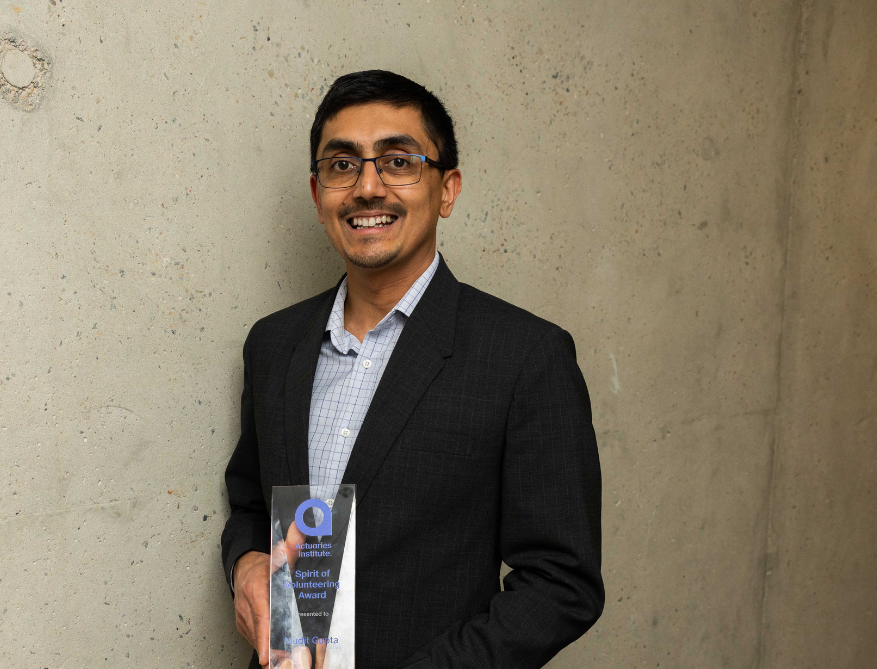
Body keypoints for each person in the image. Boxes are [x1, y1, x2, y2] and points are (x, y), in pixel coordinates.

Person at [221, 69, 604, 669]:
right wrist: (247, 565)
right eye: (342, 165)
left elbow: (561, 585)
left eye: (398, 161)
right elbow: (248, 503)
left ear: (447, 189)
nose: (367, 187)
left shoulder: (526, 359)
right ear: (318, 193)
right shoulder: (274, 345)